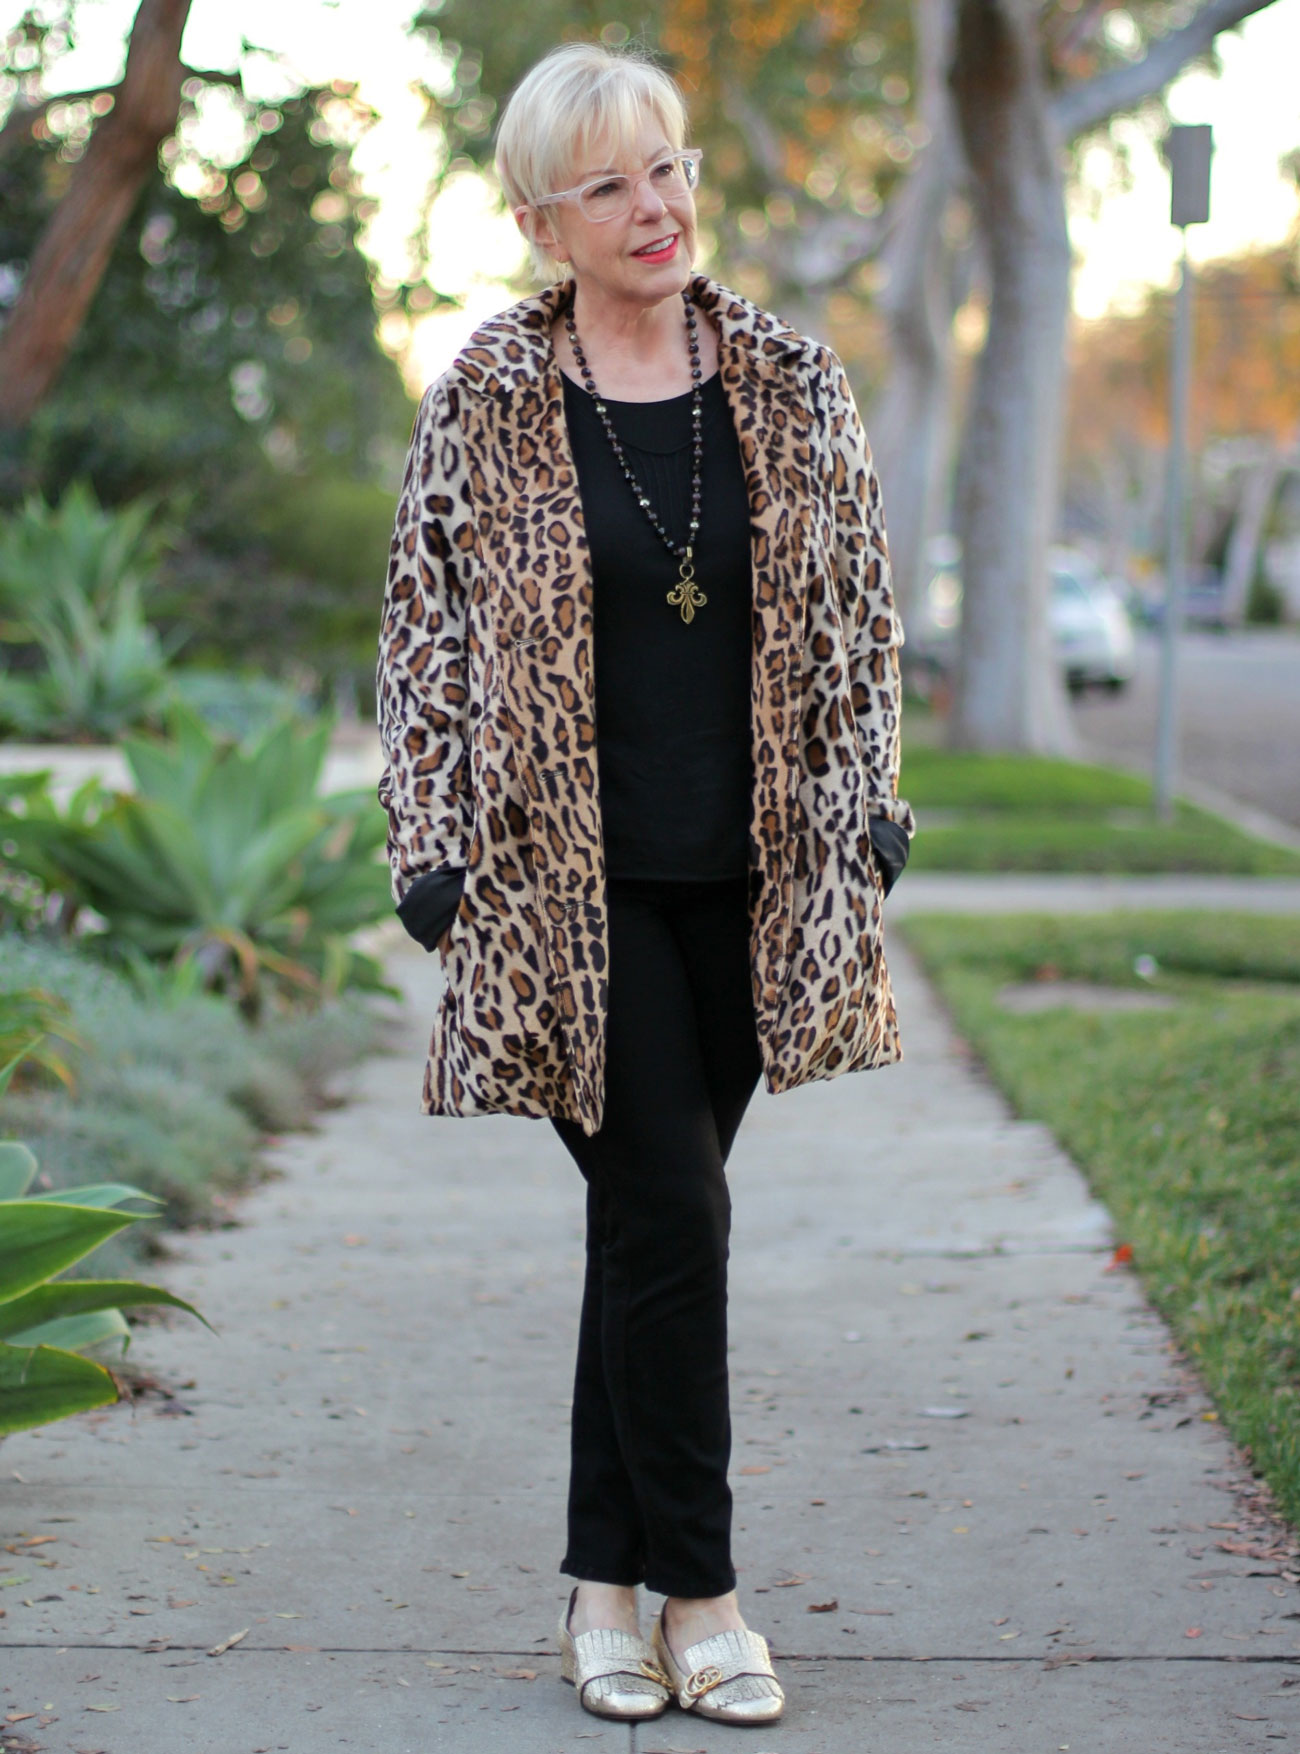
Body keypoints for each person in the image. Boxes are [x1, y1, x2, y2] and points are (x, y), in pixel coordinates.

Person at [375, 40, 913, 1730]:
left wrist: (872, 806)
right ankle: (706, 1594)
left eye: (666, 166)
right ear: (543, 222)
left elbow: (862, 609)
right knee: (676, 1214)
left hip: (758, 878)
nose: (655, 205)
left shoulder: (792, 380)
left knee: (649, 1230)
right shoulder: (484, 394)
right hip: (560, 893)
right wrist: (431, 853)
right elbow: (422, 633)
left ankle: (598, 1590)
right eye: (607, 183)